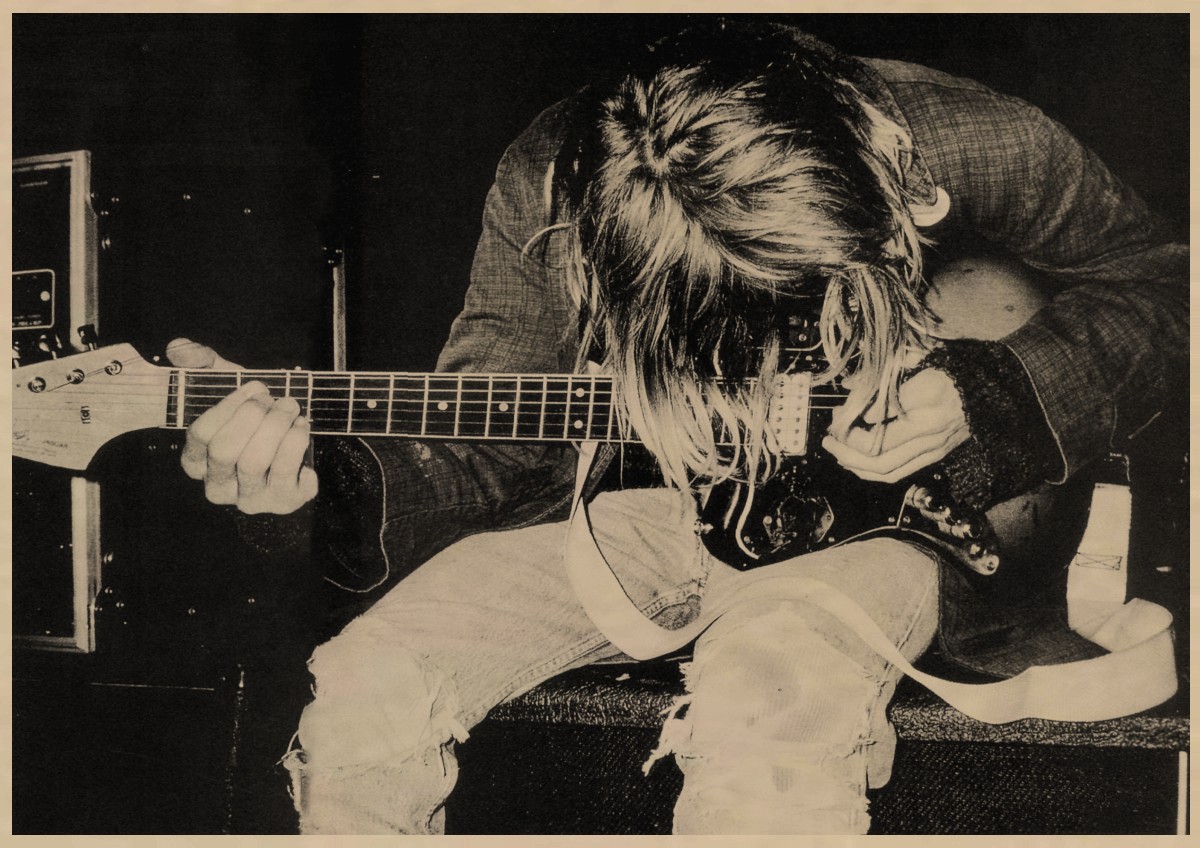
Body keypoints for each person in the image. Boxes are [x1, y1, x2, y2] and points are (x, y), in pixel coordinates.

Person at [167, 21, 1186, 834]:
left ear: (897, 186)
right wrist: (320, 489)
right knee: (369, 682)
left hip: (909, 528)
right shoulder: (551, 184)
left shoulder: (974, 134)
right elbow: (492, 444)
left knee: (769, 696)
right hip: (667, 514)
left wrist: (988, 394)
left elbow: (1166, 285)